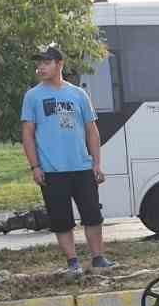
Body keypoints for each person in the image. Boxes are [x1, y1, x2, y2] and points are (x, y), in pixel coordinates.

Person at [20, 44, 114, 276]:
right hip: (52, 171)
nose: (40, 67)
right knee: (62, 220)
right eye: (38, 63)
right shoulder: (33, 96)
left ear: (59, 64)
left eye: (46, 62)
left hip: (82, 168)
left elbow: (92, 131)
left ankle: (98, 258)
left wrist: (96, 163)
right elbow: (27, 135)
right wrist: (35, 166)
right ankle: (72, 262)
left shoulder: (78, 94)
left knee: (92, 215)